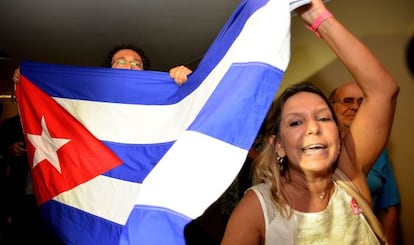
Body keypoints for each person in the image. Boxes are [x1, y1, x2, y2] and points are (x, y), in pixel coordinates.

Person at [221, 0, 399, 243]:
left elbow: (383, 91)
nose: (313, 127)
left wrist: (317, 15)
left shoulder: (349, 176)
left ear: (337, 135)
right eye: (295, 122)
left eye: (324, 118)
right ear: (278, 145)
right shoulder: (257, 209)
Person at [329, 82, 401, 245]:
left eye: (361, 102)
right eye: (347, 101)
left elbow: (389, 209)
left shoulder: (379, 153)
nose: (355, 107)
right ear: (331, 108)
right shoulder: (319, 149)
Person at [0, 114, 63, 244]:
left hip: (53, 193)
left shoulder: (59, 119)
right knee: (23, 232)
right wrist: (9, 151)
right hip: (23, 192)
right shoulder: (12, 124)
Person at [13, 43, 193, 85]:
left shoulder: (160, 93)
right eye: (121, 62)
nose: (129, 66)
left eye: (136, 63)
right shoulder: (89, 91)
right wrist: (29, 78)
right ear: (109, 69)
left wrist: (191, 82)